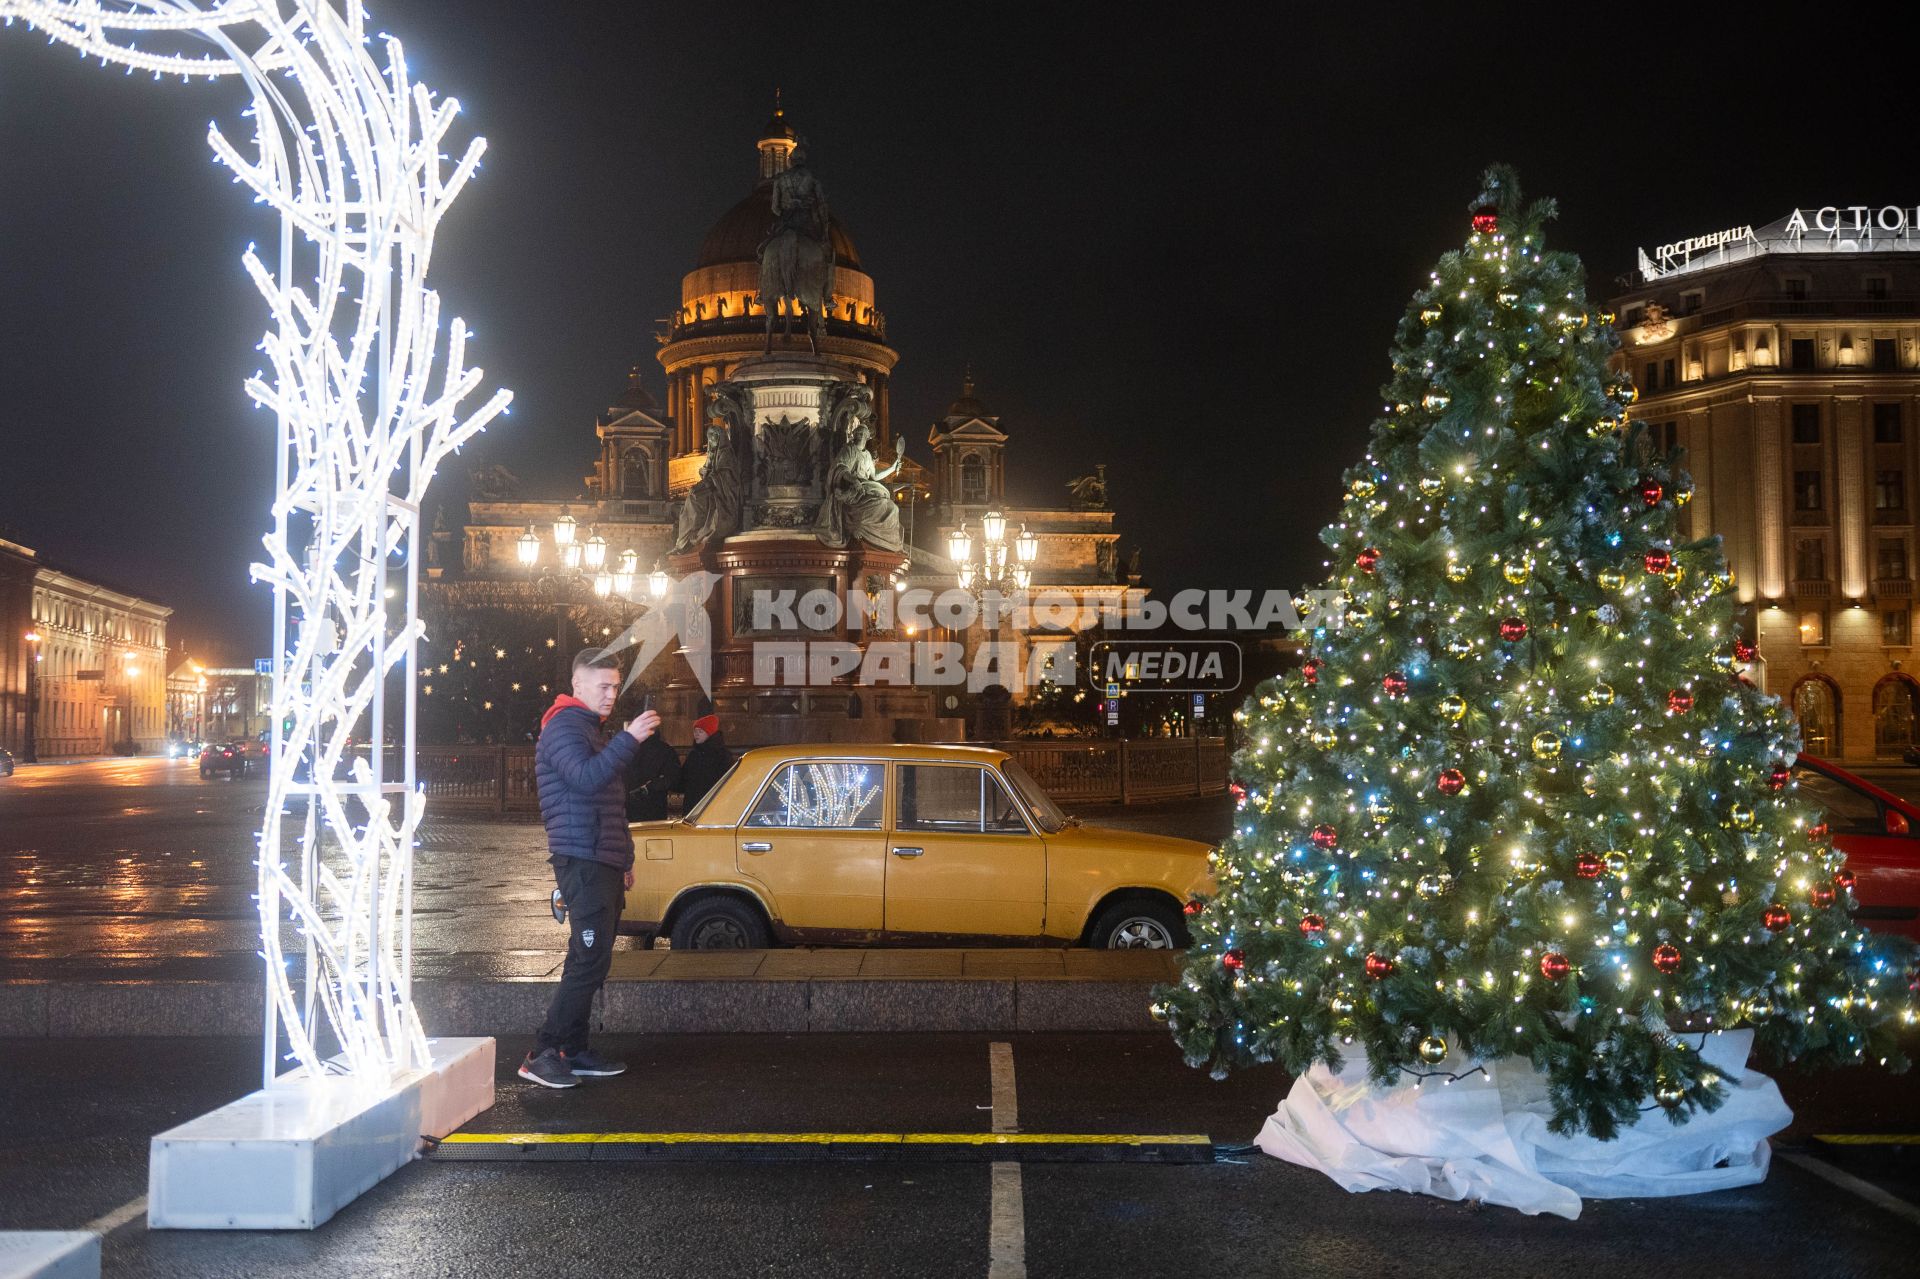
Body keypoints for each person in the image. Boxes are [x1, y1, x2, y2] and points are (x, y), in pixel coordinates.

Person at [519, 647, 661, 1089]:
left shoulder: (589, 729)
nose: (611, 695)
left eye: (616, 687)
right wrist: (629, 739)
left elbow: (611, 804)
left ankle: (573, 1049)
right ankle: (542, 1052)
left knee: (594, 960)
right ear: (577, 684)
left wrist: (625, 859)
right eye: (603, 686)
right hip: (580, 859)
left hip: (601, 859)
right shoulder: (562, 728)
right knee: (587, 961)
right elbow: (585, 778)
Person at [624, 694, 682, 822]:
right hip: (629, 811)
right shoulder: (627, 747)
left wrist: (650, 787)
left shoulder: (664, 751)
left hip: (651, 811)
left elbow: (674, 779)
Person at [678, 710, 732, 812]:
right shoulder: (694, 754)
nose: (696, 734)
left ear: (709, 733)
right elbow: (684, 779)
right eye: (695, 731)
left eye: (700, 731)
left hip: (712, 806)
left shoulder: (722, 755)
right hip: (693, 806)